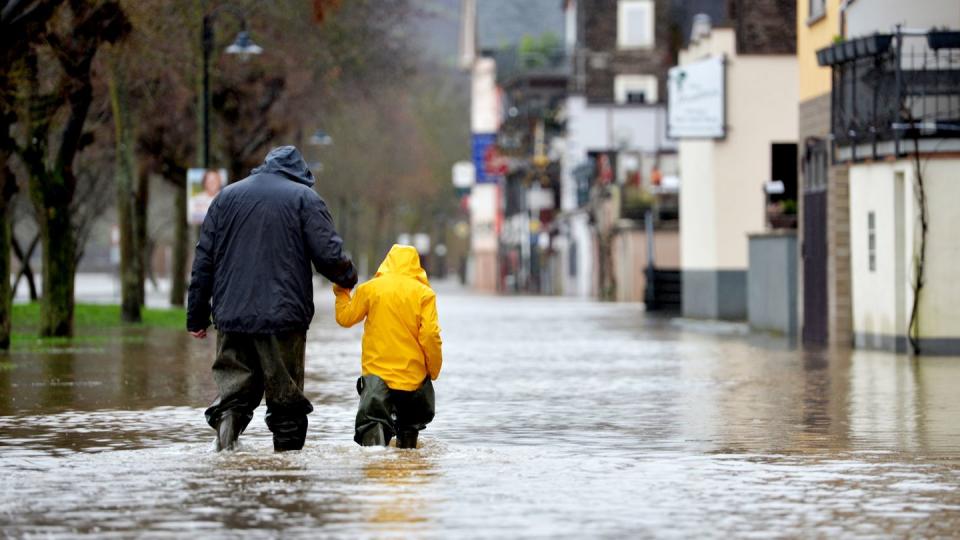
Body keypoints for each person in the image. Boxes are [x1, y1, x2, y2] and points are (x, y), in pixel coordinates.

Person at [187, 146, 357, 452]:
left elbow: (204, 260)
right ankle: (287, 474)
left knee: (234, 392)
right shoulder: (305, 199)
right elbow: (329, 254)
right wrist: (347, 278)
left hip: (231, 316)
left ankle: (226, 433)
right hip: (283, 318)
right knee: (285, 400)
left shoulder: (225, 198)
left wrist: (197, 315)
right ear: (300, 173)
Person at [333, 244, 443, 449]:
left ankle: (377, 472)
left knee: (373, 435)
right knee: (409, 434)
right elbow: (430, 335)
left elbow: (345, 318)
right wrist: (433, 370)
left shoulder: (370, 289)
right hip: (412, 381)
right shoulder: (425, 295)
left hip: (377, 379)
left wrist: (342, 291)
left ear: (387, 262)